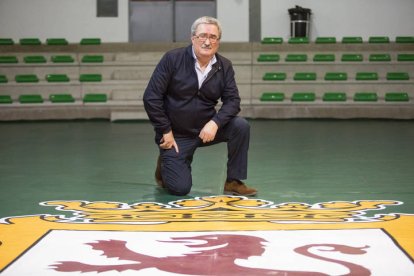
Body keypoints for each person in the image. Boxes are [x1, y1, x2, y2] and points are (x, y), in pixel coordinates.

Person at [143, 16, 257, 196]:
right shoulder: (172, 59)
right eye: (202, 36)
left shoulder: (224, 66)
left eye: (213, 37)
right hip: (175, 134)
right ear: (193, 38)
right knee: (179, 189)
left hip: (206, 129)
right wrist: (165, 130)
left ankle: (233, 181)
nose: (207, 41)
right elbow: (151, 97)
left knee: (240, 126)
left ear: (218, 41)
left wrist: (215, 123)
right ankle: (164, 164)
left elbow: (233, 101)